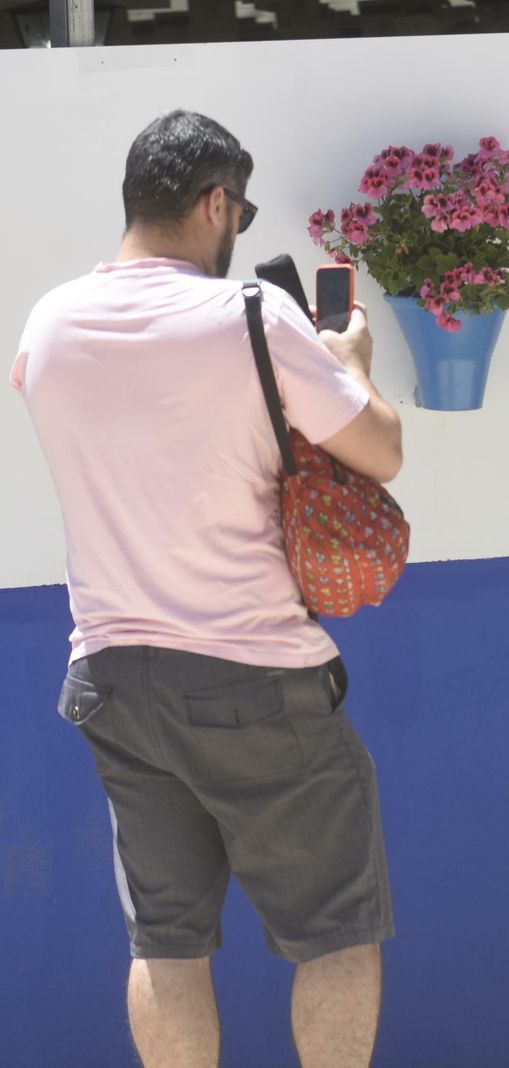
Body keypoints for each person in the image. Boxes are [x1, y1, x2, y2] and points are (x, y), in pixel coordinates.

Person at [10, 110, 403, 1068]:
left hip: (112, 680)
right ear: (216, 202)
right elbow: (380, 451)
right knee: (337, 931)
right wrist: (353, 365)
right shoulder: (250, 318)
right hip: (255, 675)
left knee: (166, 941)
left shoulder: (49, 322)